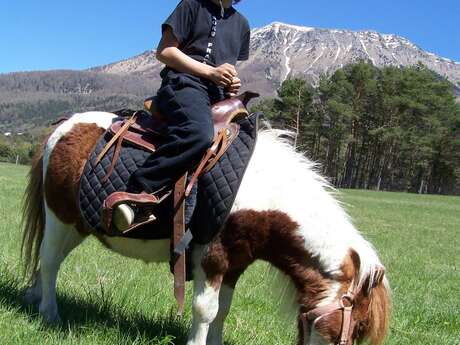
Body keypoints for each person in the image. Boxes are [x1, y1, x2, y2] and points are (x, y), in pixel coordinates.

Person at [112, 0, 250, 231]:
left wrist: (230, 82)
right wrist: (210, 72)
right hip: (183, 84)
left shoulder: (242, 24)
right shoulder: (192, 5)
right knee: (198, 133)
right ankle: (136, 193)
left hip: (216, 94)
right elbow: (165, 51)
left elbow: (226, 67)